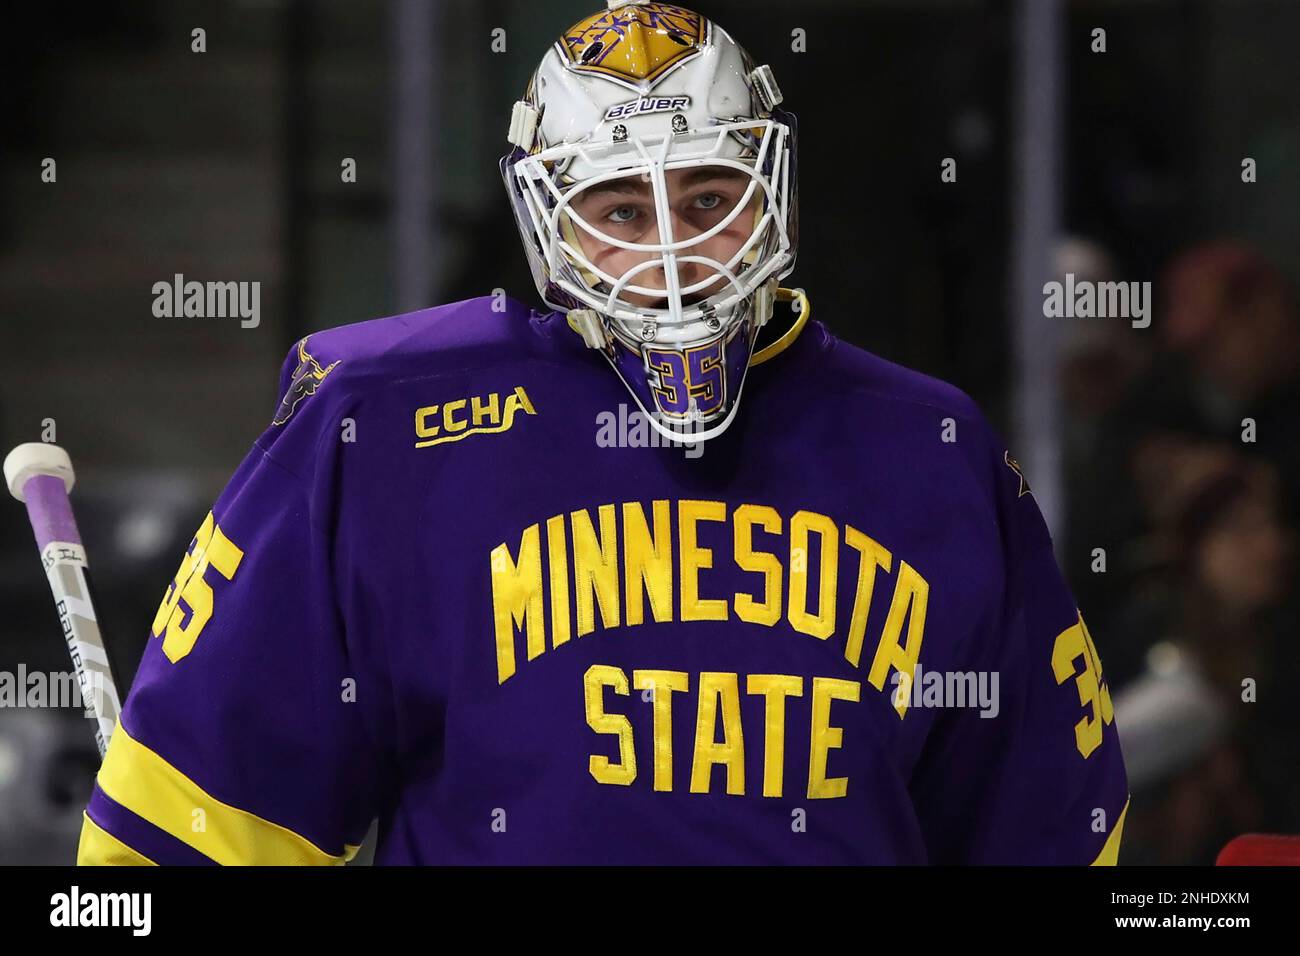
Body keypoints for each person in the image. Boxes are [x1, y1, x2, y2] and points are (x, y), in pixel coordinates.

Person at [78, 1, 1126, 865]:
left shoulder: (929, 448)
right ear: (546, 226)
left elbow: (1052, 829)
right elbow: (196, 814)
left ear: (775, 198)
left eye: (709, 196)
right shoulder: (385, 427)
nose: (674, 253)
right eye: (621, 210)